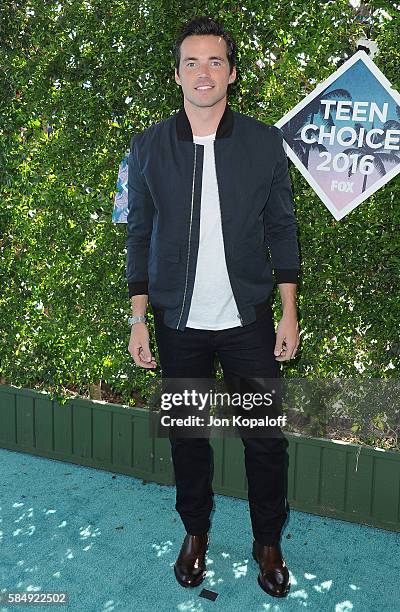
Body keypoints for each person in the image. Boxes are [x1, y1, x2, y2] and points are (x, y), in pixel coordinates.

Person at [126, 16, 300, 599]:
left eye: (216, 62)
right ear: (177, 74)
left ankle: (268, 542)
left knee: (264, 439)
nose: (204, 73)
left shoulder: (263, 142)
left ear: (231, 73)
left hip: (247, 321)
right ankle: (195, 534)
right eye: (192, 62)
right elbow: (140, 235)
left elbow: (282, 227)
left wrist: (288, 312)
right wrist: (139, 318)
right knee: (188, 437)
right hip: (179, 327)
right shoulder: (149, 146)